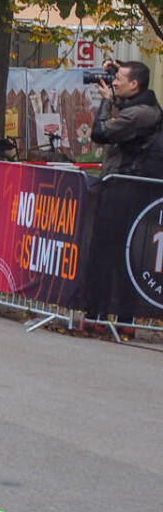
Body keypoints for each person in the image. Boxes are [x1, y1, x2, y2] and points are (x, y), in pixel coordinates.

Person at [82, 61, 163, 332]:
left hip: (124, 191)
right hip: (128, 189)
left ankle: (100, 318)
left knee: (107, 255)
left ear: (135, 85)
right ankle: (118, 320)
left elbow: (100, 133)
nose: (113, 83)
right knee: (120, 256)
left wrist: (106, 103)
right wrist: (118, 68)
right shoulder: (143, 108)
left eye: (119, 79)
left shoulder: (141, 113)